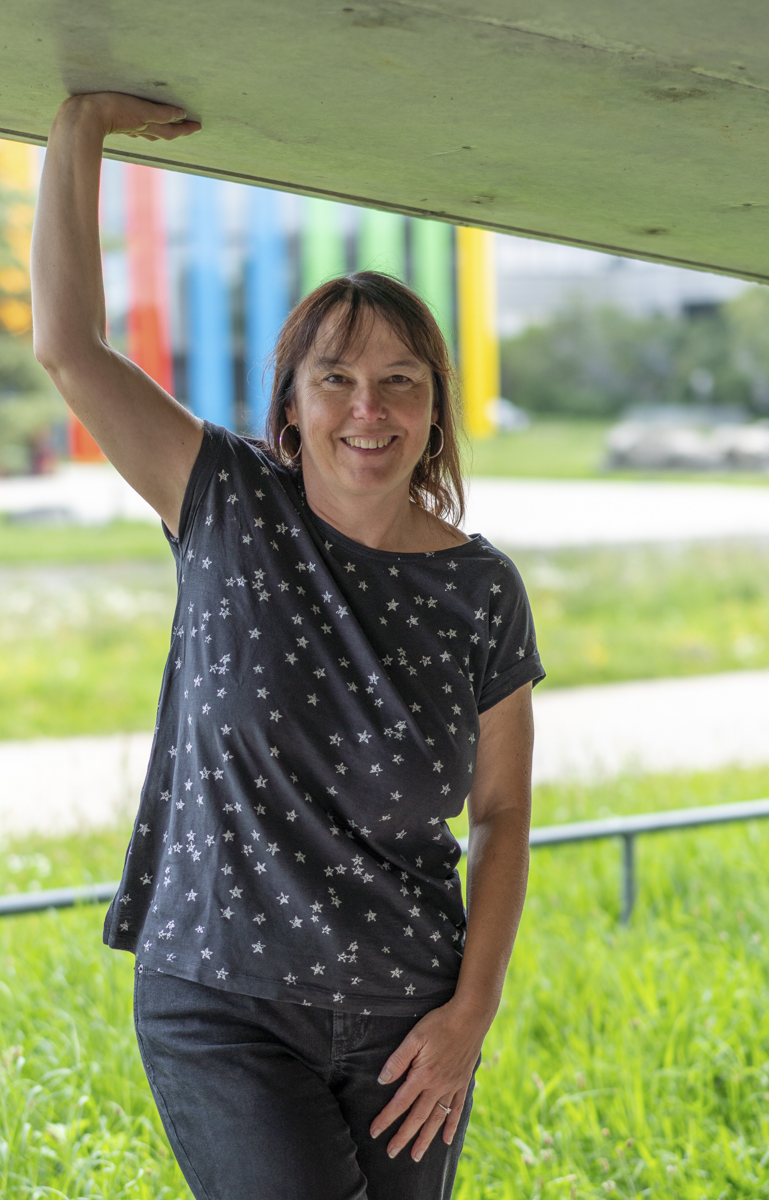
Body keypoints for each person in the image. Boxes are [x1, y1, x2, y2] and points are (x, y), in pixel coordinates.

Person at [31, 91, 545, 1200]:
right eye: (336, 379)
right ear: (294, 404)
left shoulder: (481, 588)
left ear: (434, 409)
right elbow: (68, 349)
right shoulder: (222, 499)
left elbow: (502, 815)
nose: (369, 408)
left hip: (410, 1018)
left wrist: (471, 1013)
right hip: (225, 1005)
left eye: (401, 380)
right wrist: (80, 130)